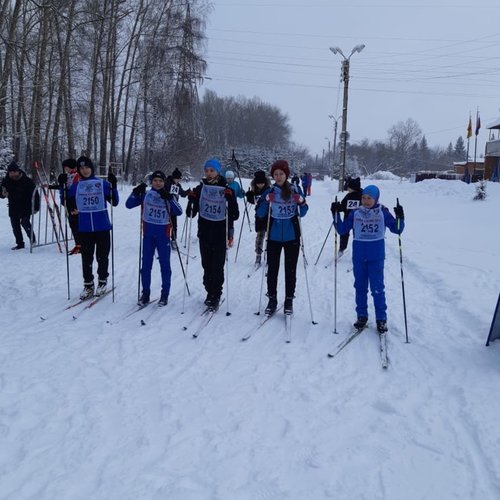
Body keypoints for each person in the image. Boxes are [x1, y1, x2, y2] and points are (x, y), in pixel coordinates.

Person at [331, 184, 405, 333]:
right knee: (360, 287)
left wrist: (400, 217)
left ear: (376, 198)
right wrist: (335, 214)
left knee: (377, 289)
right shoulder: (355, 213)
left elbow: (397, 229)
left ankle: (381, 319)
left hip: (376, 256)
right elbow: (342, 229)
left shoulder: (382, 212)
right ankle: (362, 316)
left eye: (369, 198)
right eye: (363, 197)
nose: (365, 201)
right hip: (359, 256)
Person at [256, 159, 308, 315]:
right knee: (272, 270)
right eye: (275, 174)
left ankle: (289, 300)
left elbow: (304, 212)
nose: (278, 177)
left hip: (292, 236)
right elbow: (260, 214)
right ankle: (272, 299)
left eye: (281, 174)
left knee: (290, 270)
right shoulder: (269, 191)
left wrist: (302, 202)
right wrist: (265, 202)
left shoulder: (295, 189)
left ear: (286, 175)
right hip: (274, 236)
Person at [186, 158, 239, 310]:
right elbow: (191, 214)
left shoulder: (226, 188)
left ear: (218, 171)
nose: (208, 173)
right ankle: (209, 291)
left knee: (217, 266)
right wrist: (192, 200)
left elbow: (234, 215)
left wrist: (231, 199)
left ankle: (216, 294)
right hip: (204, 232)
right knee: (206, 265)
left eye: (212, 170)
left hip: (220, 233)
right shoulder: (200, 188)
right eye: (206, 170)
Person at [126, 170, 182, 306]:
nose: (158, 183)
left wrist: (168, 198)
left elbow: (179, 211)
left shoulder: (168, 195)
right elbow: (128, 204)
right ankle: (145, 293)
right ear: (152, 182)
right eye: (155, 181)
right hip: (148, 235)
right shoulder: (146, 194)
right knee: (145, 266)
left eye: (161, 181)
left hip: (163, 235)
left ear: (164, 182)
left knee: (165, 266)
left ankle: (165, 295)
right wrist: (135, 192)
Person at [67, 156, 119, 300]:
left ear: (92, 168)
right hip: (84, 228)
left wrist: (113, 186)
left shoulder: (101, 184)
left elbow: (114, 202)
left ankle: (102, 281)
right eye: (81, 168)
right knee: (86, 258)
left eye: (87, 167)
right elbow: (69, 201)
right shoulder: (76, 186)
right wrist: (63, 189)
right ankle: (88, 285)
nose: (84, 170)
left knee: (102, 257)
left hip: (102, 226)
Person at [0, 162, 39, 250]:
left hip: (25, 205)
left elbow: (35, 194)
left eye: (14, 172)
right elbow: (2, 191)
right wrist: (3, 194)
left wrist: (36, 207)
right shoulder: (6, 180)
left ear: (18, 171)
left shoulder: (27, 181)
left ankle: (33, 240)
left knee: (25, 223)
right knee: (15, 225)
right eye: (10, 172)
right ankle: (20, 243)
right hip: (13, 205)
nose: (12, 174)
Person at [245, 169, 271, 266]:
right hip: (259, 217)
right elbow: (253, 202)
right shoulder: (254, 191)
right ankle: (258, 255)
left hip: (269, 216)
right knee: (260, 236)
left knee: (269, 237)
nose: (260, 185)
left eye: (262, 183)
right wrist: (249, 196)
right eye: (258, 183)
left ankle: (269, 255)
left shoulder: (269, 190)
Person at [56, 158, 81, 255]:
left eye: (66, 167)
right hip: (68, 202)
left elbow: (74, 190)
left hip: (74, 202)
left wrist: (64, 188)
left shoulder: (77, 176)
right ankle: (78, 244)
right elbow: (64, 188)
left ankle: (80, 244)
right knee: (72, 224)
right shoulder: (69, 176)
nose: (65, 169)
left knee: (76, 223)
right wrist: (60, 184)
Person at [338, 177, 363, 257]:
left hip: (359, 220)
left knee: (358, 236)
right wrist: (337, 207)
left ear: (353, 188)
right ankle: (342, 249)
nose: (347, 188)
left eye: (349, 187)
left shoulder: (362, 196)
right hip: (348, 218)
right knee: (344, 234)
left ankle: (358, 252)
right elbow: (342, 206)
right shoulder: (348, 196)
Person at [165, 167, 189, 249]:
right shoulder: (167, 183)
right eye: (177, 179)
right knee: (166, 225)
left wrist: (188, 192)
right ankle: (164, 240)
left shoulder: (178, 185)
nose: (178, 180)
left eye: (179, 179)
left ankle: (173, 240)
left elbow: (182, 194)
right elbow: (167, 190)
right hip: (165, 208)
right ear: (174, 178)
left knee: (174, 225)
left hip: (174, 208)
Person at [224, 170, 245, 247]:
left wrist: (242, 193)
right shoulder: (223, 184)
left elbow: (239, 194)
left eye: (231, 178)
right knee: (223, 222)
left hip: (232, 206)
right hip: (223, 205)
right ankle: (223, 237)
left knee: (230, 223)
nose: (229, 180)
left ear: (233, 178)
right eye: (228, 178)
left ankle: (230, 238)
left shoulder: (236, 184)